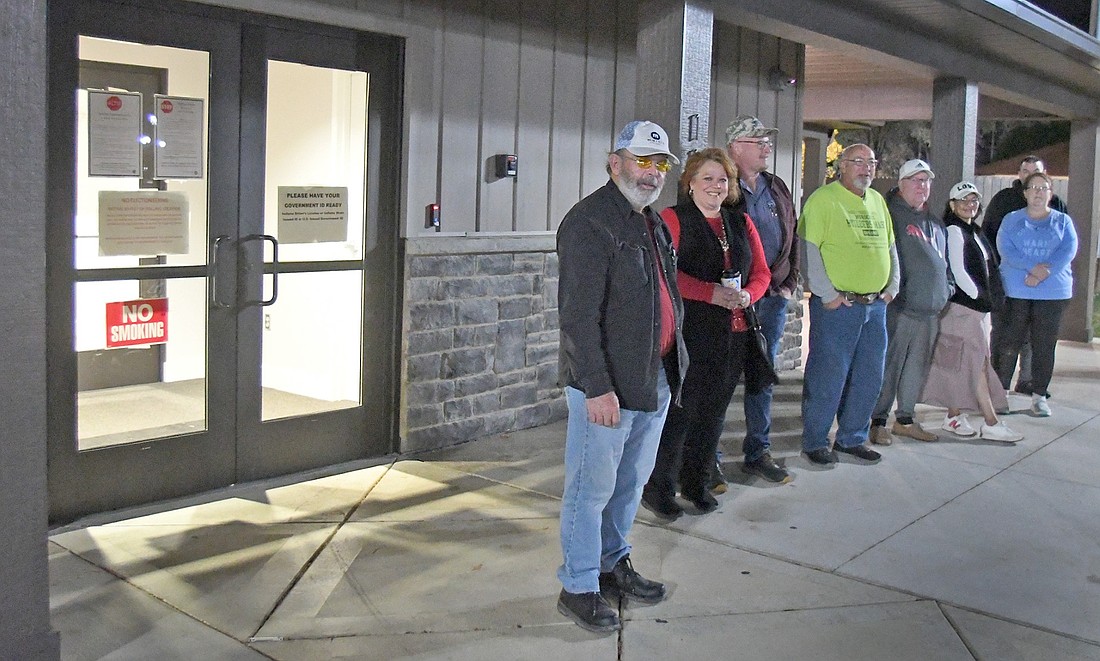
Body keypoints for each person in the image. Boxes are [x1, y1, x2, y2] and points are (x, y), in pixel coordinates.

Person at [554, 120, 688, 633]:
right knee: (590, 490)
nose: (652, 172)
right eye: (641, 160)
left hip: (651, 380)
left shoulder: (649, 221)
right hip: (607, 385)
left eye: (660, 164)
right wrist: (597, 387)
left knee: (628, 485)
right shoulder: (590, 223)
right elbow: (578, 317)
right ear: (615, 162)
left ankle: (613, 563)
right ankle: (580, 585)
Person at [641, 148, 771, 521]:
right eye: (708, 178)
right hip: (692, 333)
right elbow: (665, 272)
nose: (716, 186)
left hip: (734, 333)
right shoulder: (673, 218)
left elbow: (761, 272)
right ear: (690, 183)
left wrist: (749, 294)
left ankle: (695, 482)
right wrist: (711, 292)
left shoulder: (740, 223)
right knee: (680, 414)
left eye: (723, 180)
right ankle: (658, 487)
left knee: (713, 415)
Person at [798, 144, 899, 465]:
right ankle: (815, 441)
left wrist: (892, 286)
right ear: (841, 166)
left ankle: (851, 437)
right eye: (858, 162)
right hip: (838, 307)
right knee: (828, 376)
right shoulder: (823, 200)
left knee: (869, 376)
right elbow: (809, 252)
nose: (866, 169)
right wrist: (827, 294)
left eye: (871, 163)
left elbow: (890, 247)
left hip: (875, 307)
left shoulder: (878, 201)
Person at [724, 115, 799, 484]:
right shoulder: (721, 186)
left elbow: (792, 234)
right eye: (758, 141)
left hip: (772, 298)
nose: (767, 146)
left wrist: (789, 284)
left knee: (761, 377)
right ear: (736, 147)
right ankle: (709, 457)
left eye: (768, 140)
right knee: (721, 378)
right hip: (733, 301)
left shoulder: (776, 187)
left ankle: (758, 451)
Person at [920, 182, 1022, 442]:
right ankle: (990, 421)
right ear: (952, 205)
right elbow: (958, 269)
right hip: (963, 310)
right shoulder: (954, 230)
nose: (970, 205)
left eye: (974, 200)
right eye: (964, 200)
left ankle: (954, 416)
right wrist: (979, 297)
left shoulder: (973, 230)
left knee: (963, 363)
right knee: (975, 363)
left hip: (976, 310)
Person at [868, 160, 952, 445]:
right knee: (889, 366)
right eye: (915, 180)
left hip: (930, 312)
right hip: (900, 309)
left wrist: (947, 289)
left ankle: (905, 419)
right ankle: (877, 421)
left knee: (916, 367)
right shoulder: (890, 216)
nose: (922, 186)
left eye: (926, 181)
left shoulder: (934, 222)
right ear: (901, 184)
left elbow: (944, 263)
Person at [993, 171, 1078, 418]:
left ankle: (1039, 397)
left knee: (1044, 346)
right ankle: (1001, 394)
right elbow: (1006, 248)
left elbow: (1068, 250)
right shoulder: (1011, 220)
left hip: (1052, 293)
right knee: (1009, 342)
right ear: (1025, 192)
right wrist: (1032, 268)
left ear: (1051, 194)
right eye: (1034, 188)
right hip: (1017, 291)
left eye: (1044, 188)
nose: (1038, 192)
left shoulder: (1063, 221)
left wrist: (1043, 273)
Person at [983, 156, 1067, 396]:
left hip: (1042, 285)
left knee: (1034, 337)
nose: (1029, 175)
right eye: (1025, 170)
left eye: (1035, 171)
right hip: (1009, 283)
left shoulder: (1058, 206)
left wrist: (1043, 272)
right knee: (1004, 335)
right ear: (1019, 174)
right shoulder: (1003, 202)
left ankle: (1028, 381)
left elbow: (1065, 246)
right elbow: (991, 238)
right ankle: (998, 385)